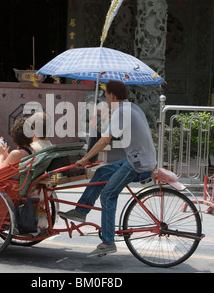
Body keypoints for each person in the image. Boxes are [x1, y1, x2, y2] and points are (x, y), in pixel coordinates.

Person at [58, 80, 157, 257]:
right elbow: (117, 127)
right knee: (101, 171)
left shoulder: (122, 112)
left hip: (137, 163)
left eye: (106, 95)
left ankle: (108, 242)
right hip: (139, 158)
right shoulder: (132, 107)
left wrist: (84, 159)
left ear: (112, 95)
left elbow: (105, 140)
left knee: (108, 194)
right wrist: (103, 117)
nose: (105, 98)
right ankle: (81, 211)